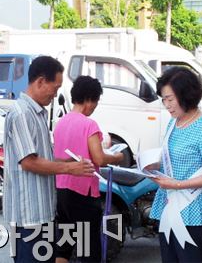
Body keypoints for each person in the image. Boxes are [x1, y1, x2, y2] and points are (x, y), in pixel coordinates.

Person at [3, 56, 95, 262]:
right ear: (40, 81)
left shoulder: (38, 113)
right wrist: (70, 170)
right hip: (28, 216)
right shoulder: (21, 113)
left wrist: (68, 163)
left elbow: (42, 157)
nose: (55, 95)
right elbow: (29, 162)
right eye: (55, 88)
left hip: (43, 211)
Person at [149, 67, 202, 263]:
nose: (166, 105)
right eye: (164, 99)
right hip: (168, 203)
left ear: (186, 95)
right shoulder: (173, 123)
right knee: (169, 258)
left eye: (170, 99)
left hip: (189, 208)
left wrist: (175, 185)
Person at [53, 76, 124, 263]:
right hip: (83, 193)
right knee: (88, 249)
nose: (95, 106)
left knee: (64, 245)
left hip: (61, 190)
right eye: (96, 102)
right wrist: (116, 157)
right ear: (89, 99)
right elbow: (99, 158)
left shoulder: (61, 123)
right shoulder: (89, 124)